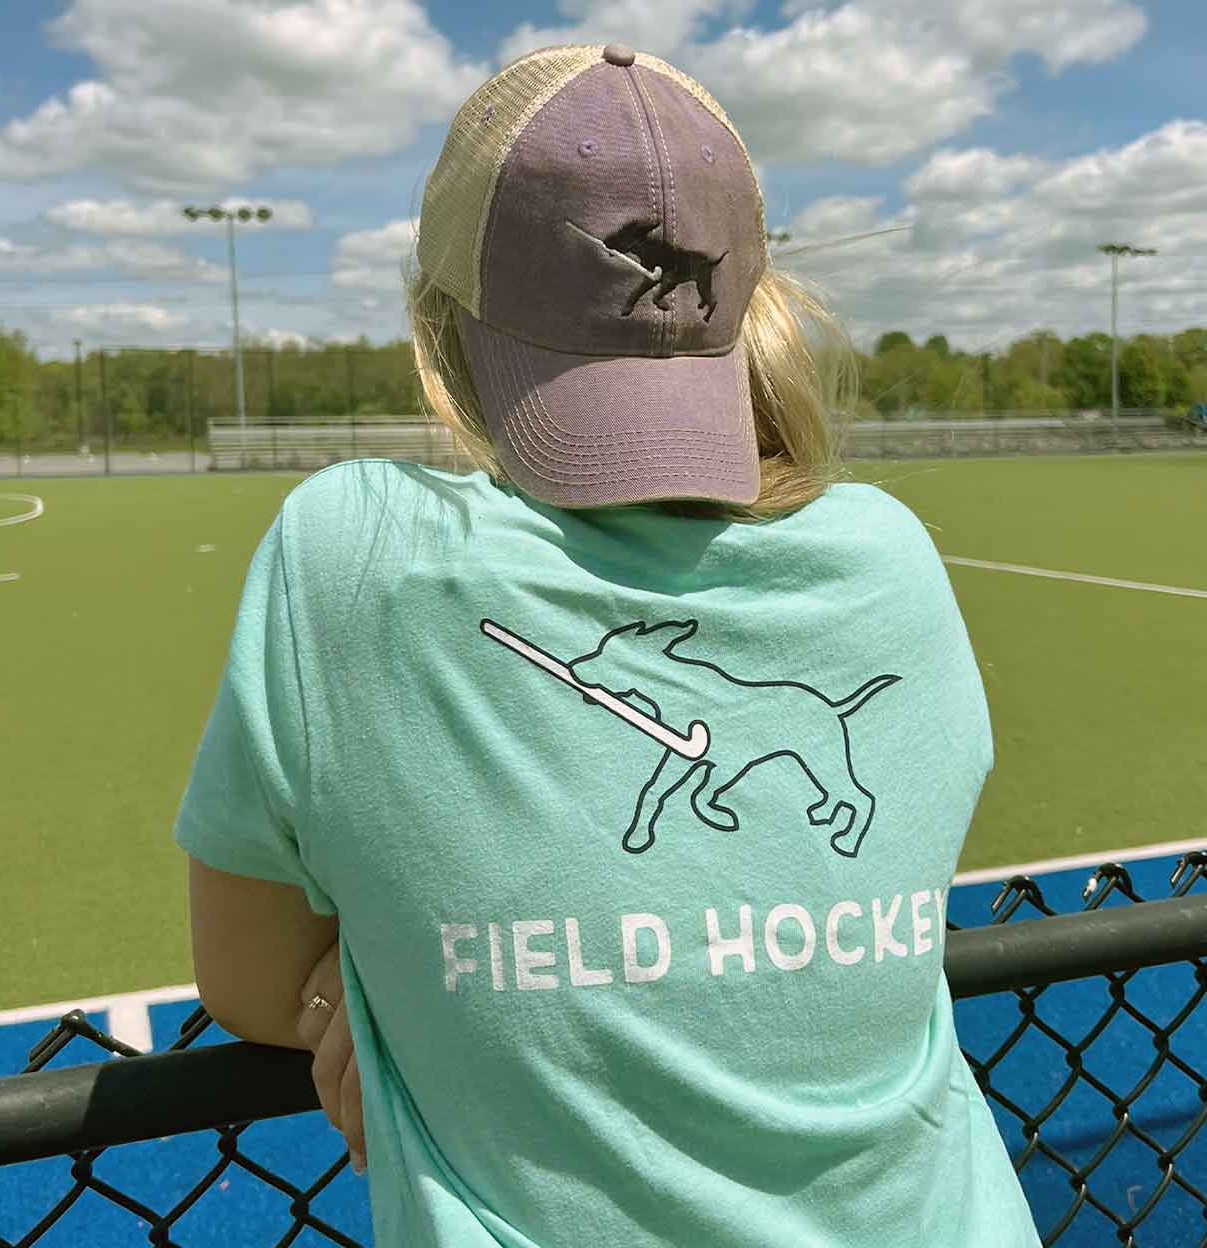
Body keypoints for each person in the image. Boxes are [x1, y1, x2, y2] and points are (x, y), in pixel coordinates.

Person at [174, 42, 1042, 1247]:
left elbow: (245, 976)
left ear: (440, 321)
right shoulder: (889, 553)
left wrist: (359, 999)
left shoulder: (354, 547)